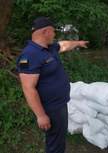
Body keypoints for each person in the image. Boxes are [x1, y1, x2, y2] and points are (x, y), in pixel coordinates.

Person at [16, 17, 88, 153]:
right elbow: (28, 88)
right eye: (53, 31)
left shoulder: (49, 48)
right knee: (55, 143)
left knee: (58, 139)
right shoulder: (30, 55)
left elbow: (64, 45)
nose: (54, 34)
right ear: (46, 32)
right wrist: (41, 116)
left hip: (59, 104)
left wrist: (78, 43)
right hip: (50, 108)